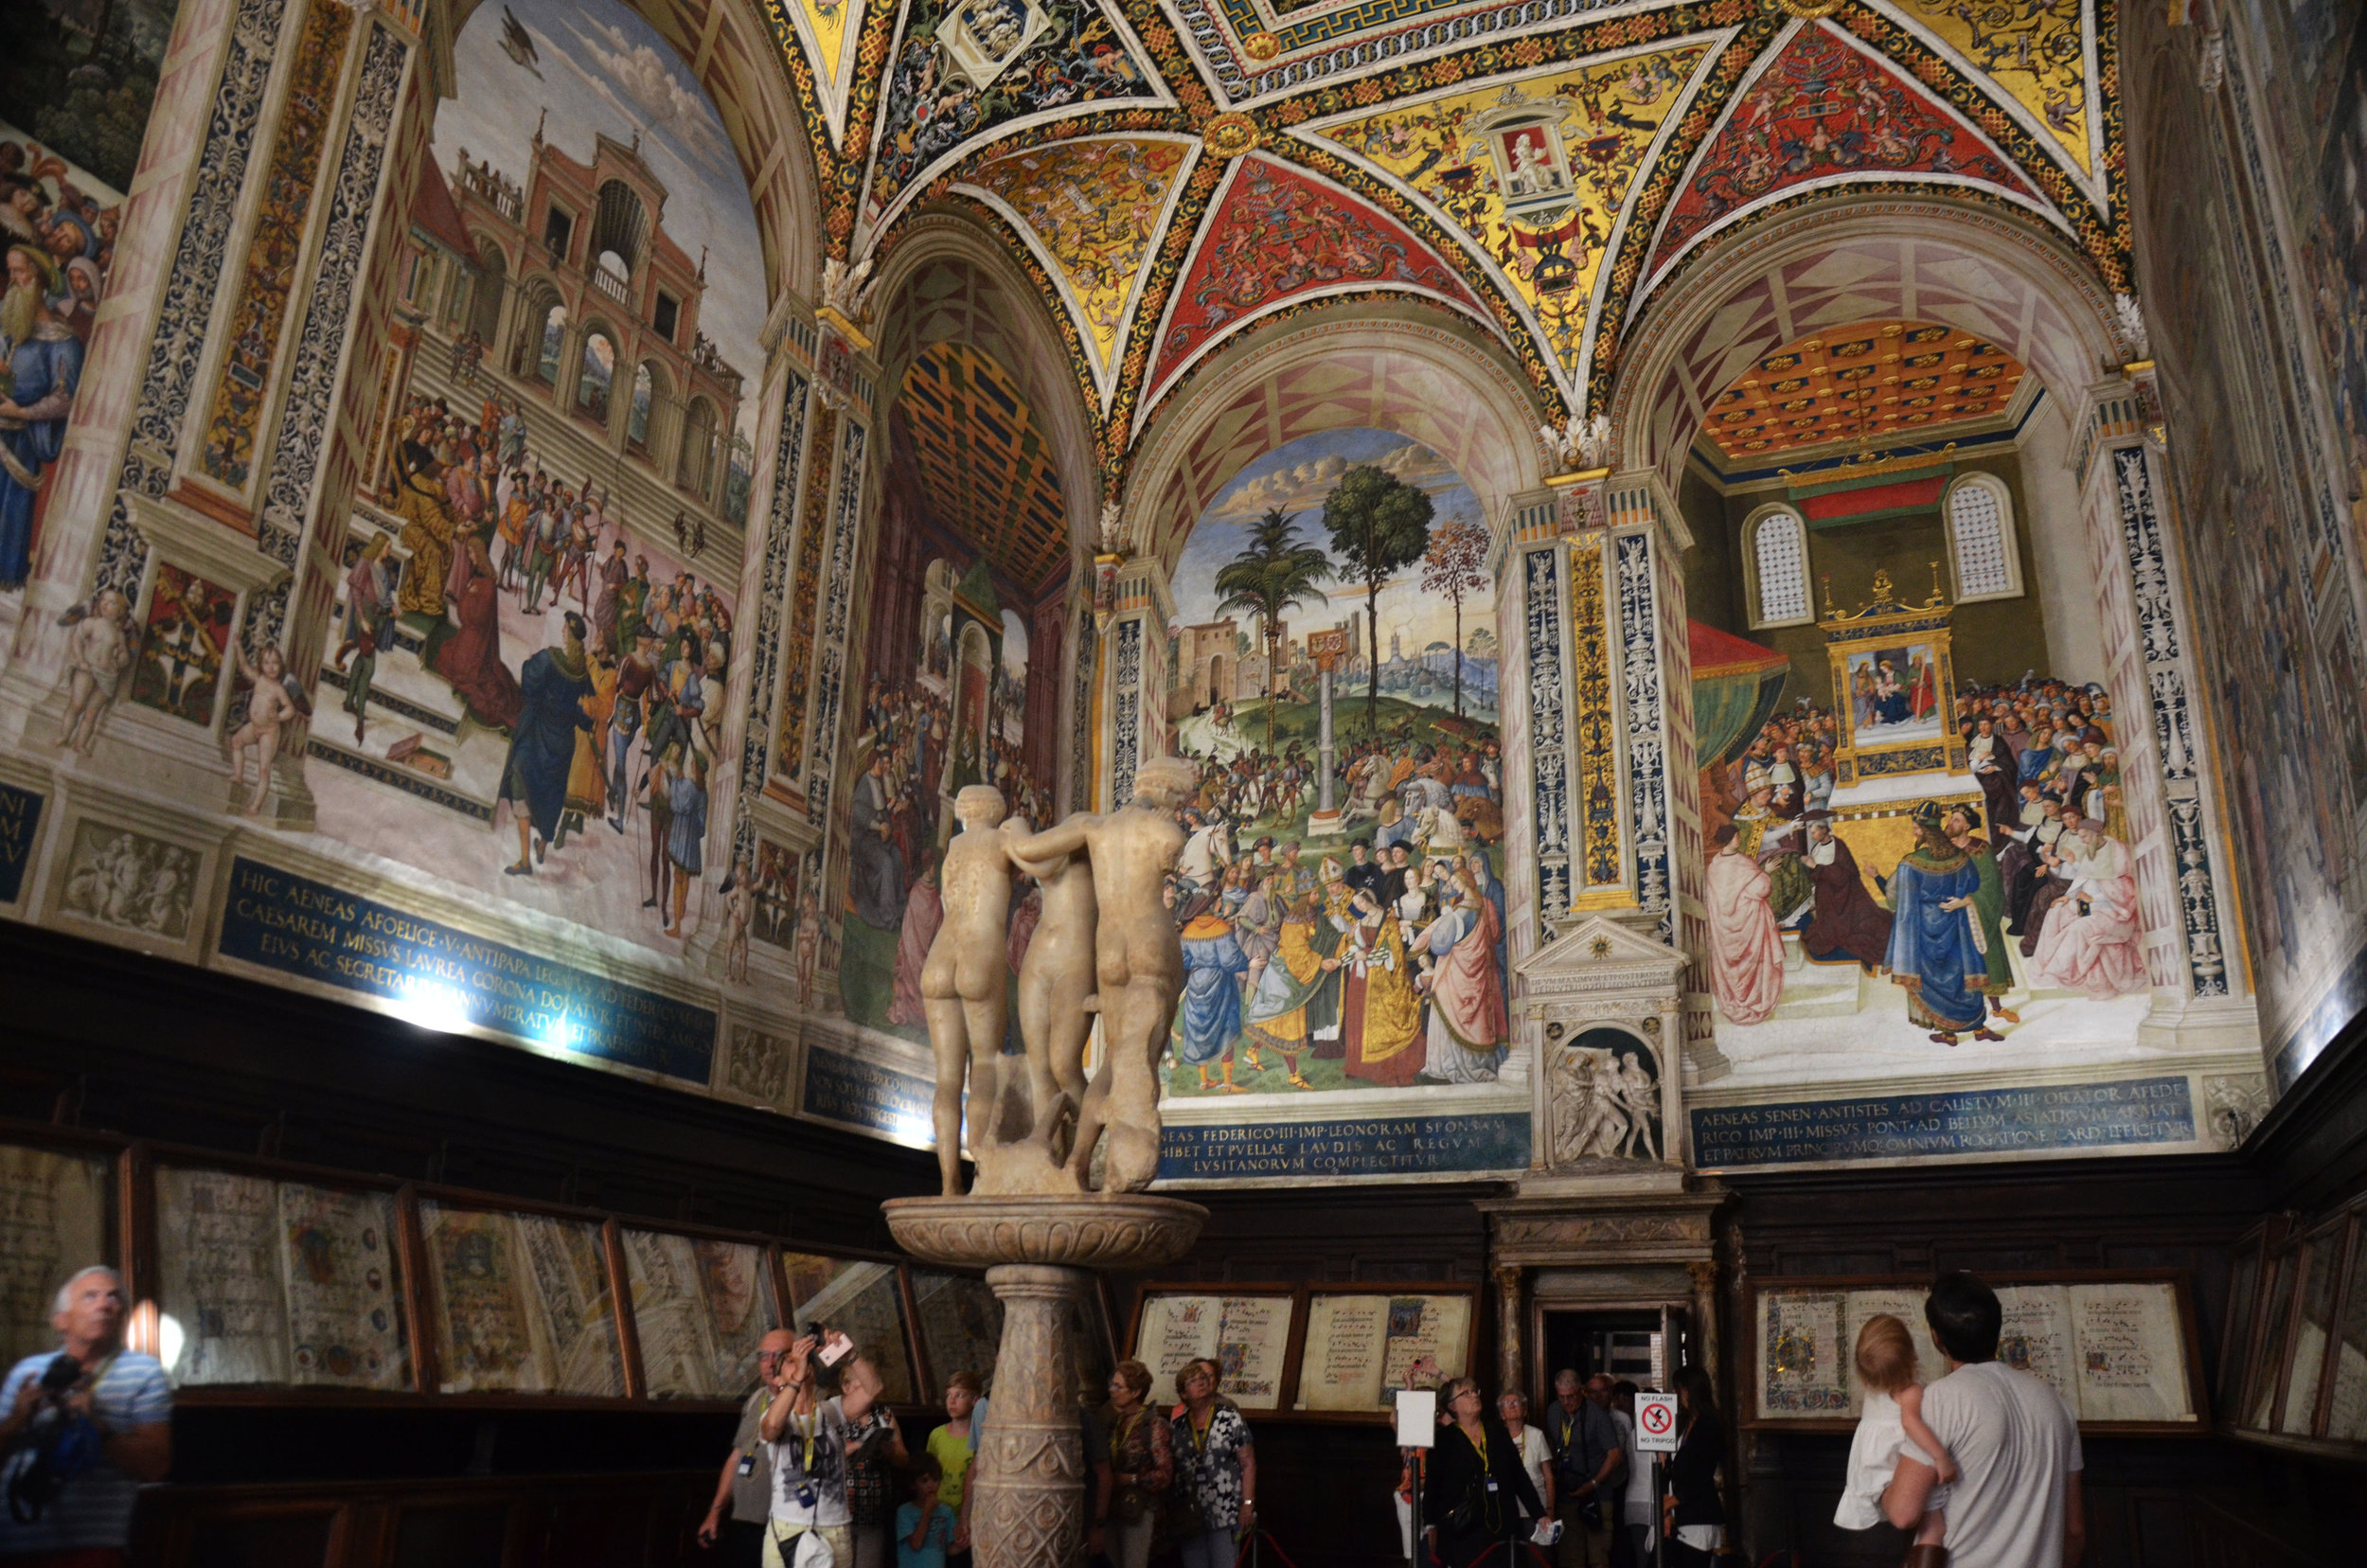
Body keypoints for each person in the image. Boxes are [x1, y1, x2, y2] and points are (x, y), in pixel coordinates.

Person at [1881, 1273, 2084, 1568]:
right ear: (1997, 1329)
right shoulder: (2056, 1403)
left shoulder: (1942, 1398)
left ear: (1937, 1337)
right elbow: (2074, 1530)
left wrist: (1878, 1492)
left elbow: (1903, 1513)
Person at [0, 1267, 172, 1564]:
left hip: (92, 1548)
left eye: (113, 1297)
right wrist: (17, 1419)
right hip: (13, 1541)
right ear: (61, 1320)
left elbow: (155, 1466)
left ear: (122, 1316)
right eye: (90, 1296)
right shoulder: (28, 1373)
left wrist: (97, 1426)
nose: (104, 1304)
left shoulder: (144, 1372)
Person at [1883, 801, 2000, 1045]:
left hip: (1923, 928)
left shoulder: (1909, 863)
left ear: (1925, 831)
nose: (1914, 831)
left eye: (1916, 827)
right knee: (1961, 974)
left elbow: (1901, 902)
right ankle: (1976, 1030)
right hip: (1956, 923)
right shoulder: (1960, 858)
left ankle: (1949, 1033)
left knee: (1933, 978)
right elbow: (1973, 885)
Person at [1836, 1314, 1953, 1553]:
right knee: (1934, 1529)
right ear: (1911, 1354)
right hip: (1894, 1467)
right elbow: (1910, 1423)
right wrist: (1940, 1457)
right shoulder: (1910, 1391)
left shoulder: (1875, 1390)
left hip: (1872, 1468)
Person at [758, 1330, 877, 1568]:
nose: (802, 1362)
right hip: (787, 1529)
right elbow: (772, 1427)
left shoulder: (833, 1411)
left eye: (805, 1360)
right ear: (779, 1380)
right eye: (791, 1361)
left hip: (834, 1529)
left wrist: (850, 1354)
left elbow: (873, 1389)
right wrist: (796, 1379)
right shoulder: (773, 1415)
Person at [1424, 1379, 1545, 1567]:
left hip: (1504, 1525)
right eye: (1465, 1393)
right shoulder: (1443, 1441)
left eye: (1474, 1391)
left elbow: (1520, 1477)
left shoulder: (1497, 1431)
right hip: (1464, 1530)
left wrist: (1540, 1514)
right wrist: (1430, 1524)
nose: (1473, 1395)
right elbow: (1433, 1487)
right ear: (1452, 1406)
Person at [701, 1329, 796, 1565]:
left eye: (779, 1355)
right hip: (744, 1520)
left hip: (786, 1525)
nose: (770, 1363)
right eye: (764, 1355)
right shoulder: (755, 1399)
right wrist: (715, 1511)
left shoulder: (807, 1402)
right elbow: (736, 1457)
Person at [1169, 1358, 1254, 1568]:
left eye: (1203, 1378)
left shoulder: (1229, 1418)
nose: (1201, 1382)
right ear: (1183, 1394)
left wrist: (1247, 1504)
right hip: (1190, 1513)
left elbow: (1248, 1463)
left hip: (1224, 1509)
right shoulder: (1178, 1426)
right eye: (1193, 1381)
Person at [1089, 1361, 1171, 1568]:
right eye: (1112, 1384)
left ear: (1135, 1392)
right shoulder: (1111, 1422)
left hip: (1138, 1509)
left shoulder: (1153, 1424)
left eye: (1118, 1386)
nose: (1112, 1390)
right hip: (1110, 1506)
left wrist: (1132, 1479)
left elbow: (1164, 1474)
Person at [1705, 826, 1783, 1025]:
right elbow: (1762, 889)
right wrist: (1766, 872)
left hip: (1725, 927)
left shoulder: (1714, 865)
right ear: (1731, 838)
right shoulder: (1743, 862)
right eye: (1737, 835)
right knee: (1755, 960)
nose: (1740, 838)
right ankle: (1756, 999)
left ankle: (1736, 998)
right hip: (1750, 922)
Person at [1544, 1369, 1622, 1568]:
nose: (1567, 1402)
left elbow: (1614, 1455)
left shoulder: (1597, 1415)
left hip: (1597, 1495)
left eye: (1571, 1396)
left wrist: (1593, 1484)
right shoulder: (1553, 1412)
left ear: (1581, 1392)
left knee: (1598, 1557)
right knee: (1570, 1558)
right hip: (1567, 1495)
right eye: (1562, 1397)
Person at [845, 1362, 909, 1568]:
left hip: (874, 1515)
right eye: (864, 1386)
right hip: (840, 1514)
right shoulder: (835, 1412)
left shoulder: (884, 1414)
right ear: (847, 1388)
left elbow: (904, 1459)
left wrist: (890, 1452)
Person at [1662, 1366, 1724, 1566]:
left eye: (1677, 1389)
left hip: (1698, 1515)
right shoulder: (1683, 1422)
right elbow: (1671, 1468)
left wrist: (1672, 1502)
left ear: (1688, 1390)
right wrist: (1667, 1512)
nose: (1675, 1394)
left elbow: (1701, 1474)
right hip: (1679, 1515)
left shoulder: (1709, 1425)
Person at [926, 1371, 983, 1559]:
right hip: (939, 1513)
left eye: (959, 1395)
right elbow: (926, 1474)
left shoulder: (981, 1438)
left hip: (971, 1514)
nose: (951, 1401)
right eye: (948, 1395)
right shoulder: (937, 1435)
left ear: (975, 1400)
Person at [1611, 1382, 1656, 1568]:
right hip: (1658, 1501)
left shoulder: (1634, 1434)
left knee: (1641, 1558)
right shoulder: (1669, 1436)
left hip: (1633, 1500)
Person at [1498, 1390, 1555, 1530]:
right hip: (1507, 1510)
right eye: (1507, 1403)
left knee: (1536, 1551)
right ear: (1502, 1414)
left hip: (1536, 1509)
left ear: (1524, 1411)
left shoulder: (1536, 1435)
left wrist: (1550, 1508)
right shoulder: (1496, 1438)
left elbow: (1548, 1476)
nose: (1512, 1406)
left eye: (1516, 1402)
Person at [897, 1459, 956, 1568]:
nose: (931, 1485)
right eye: (924, 1481)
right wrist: (927, 1511)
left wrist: (967, 1541)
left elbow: (949, 1549)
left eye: (935, 1480)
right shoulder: (905, 1512)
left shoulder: (946, 1511)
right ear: (913, 1485)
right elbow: (916, 1544)